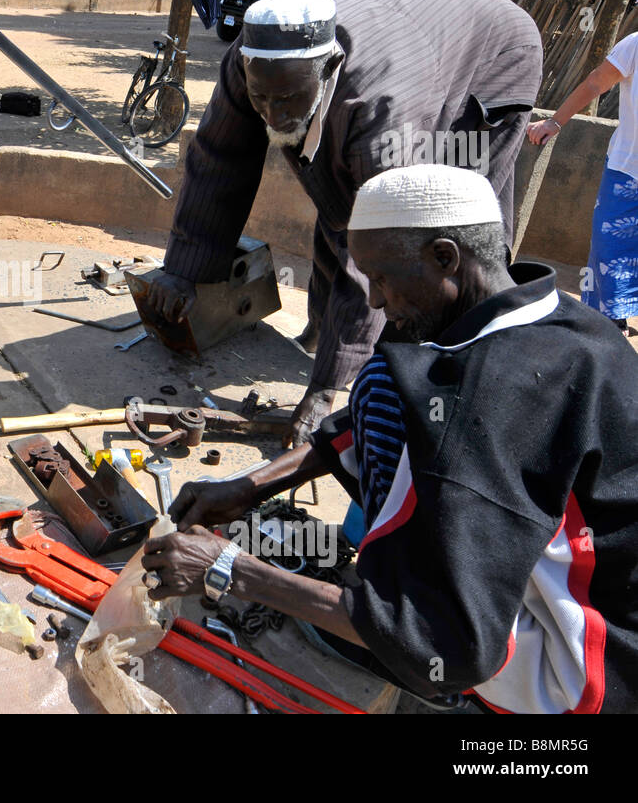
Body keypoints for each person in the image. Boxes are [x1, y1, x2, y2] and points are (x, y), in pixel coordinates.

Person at [144, 165, 638, 713]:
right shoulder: (566, 320)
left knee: (384, 386)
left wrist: (230, 567)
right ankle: (381, 606)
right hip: (617, 613)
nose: (375, 302)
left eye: (381, 278)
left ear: (446, 257)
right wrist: (248, 486)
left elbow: (447, 643)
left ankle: (398, 642)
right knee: (390, 386)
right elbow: (370, 428)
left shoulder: (484, 408)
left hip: (584, 679)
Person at [146, 0, 543, 445]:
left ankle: (457, 367)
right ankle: (324, 332)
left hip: (494, 55)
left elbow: (378, 248)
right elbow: (219, 160)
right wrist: (183, 271)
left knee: (449, 227)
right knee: (338, 200)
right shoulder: (248, 62)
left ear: (330, 66)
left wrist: (327, 387)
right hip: (411, 39)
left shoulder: (381, 113)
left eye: (288, 99)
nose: (272, 116)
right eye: (262, 99)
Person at [527, 31, 638, 335]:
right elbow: (595, 83)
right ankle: (610, 319)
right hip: (627, 171)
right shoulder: (634, 45)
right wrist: (555, 121)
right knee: (609, 247)